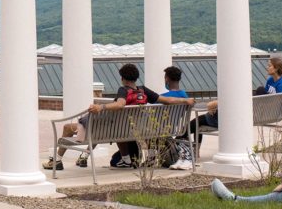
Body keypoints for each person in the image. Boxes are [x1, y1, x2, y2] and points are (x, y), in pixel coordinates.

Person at [45, 63, 194, 170]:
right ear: (136, 77)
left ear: (122, 78)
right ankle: (123, 160)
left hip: (107, 130)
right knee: (101, 126)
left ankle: (57, 161)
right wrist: (185, 100)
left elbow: (121, 104)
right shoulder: (144, 90)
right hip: (129, 131)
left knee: (68, 127)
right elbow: (167, 100)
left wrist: (101, 107)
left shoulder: (123, 90)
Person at [196, 56, 282, 141]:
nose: (267, 67)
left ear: (276, 68)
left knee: (259, 90)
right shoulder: (270, 80)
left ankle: (218, 110)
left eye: (269, 66)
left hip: (269, 112)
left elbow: (277, 102)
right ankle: (218, 110)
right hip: (261, 110)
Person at [161, 65, 195, 170]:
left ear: (167, 78)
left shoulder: (163, 97)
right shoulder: (184, 95)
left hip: (161, 130)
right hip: (175, 128)